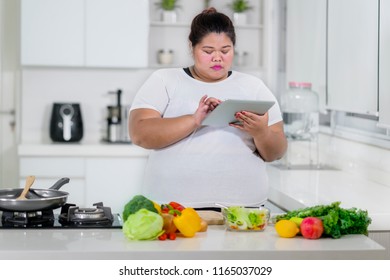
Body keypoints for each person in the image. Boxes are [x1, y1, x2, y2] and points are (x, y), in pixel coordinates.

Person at [129, 7, 287, 209]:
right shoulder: (165, 80)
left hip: (243, 211)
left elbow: (277, 151)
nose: (217, 58)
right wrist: (195, 120)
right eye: (208, 51)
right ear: (192, 47)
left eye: (225, 50)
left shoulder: (254, 86)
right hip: (173, 209)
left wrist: (261, 132)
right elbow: (140, 134)